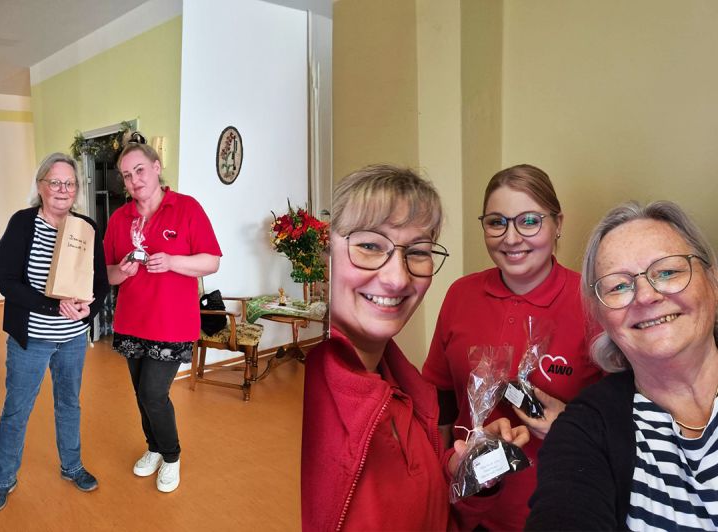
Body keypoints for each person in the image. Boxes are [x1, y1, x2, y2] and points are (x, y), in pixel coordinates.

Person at [302, 164, 529, 531]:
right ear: (323, 258)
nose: (397, 278)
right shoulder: (306, 399)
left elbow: (428, 510)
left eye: (419, 251)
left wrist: (465, 471)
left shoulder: (405, 390)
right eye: (369, 246)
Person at [422, 164, 602, 530]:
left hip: (555, 510)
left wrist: (569, 423)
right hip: (467, 506)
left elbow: (625, 416)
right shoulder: (461, 294)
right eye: (496, 222)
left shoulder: (592, 302)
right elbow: (439, 400)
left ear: (558, 224)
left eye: (529, 221)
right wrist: (436, 482)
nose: (511, 237)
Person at [526, 201, 718, 530]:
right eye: (618, 286)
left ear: (711, 280)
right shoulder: (583, 430)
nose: (645, 296)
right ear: (601, 317)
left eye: (668, 271)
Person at [0, 152, 109, 512]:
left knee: (69, 404)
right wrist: (55, 307)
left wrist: (88, 312)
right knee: (16, 410)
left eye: (69, 183)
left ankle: (72, 466)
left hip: (72, 339)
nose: (62, 189)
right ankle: (2, 481)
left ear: (76, 189)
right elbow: (7, 283)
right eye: (55, 182)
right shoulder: (22, 224)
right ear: (40, 186)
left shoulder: (86, 227)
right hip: (31, 340)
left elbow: (100, 282)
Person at [103, 140, 221, 493]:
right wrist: (122, 271)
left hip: (172, 323)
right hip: (131, 321)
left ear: (156, 168)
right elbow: (107, 274)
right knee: (141, 394)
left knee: (153, 394)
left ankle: (171, 456)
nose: (134, 180)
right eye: (127, 175)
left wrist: (172, 262)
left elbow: (211, 261)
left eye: (140, 170)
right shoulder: (120, 219)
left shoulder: (186, 208)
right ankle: (153, 447)